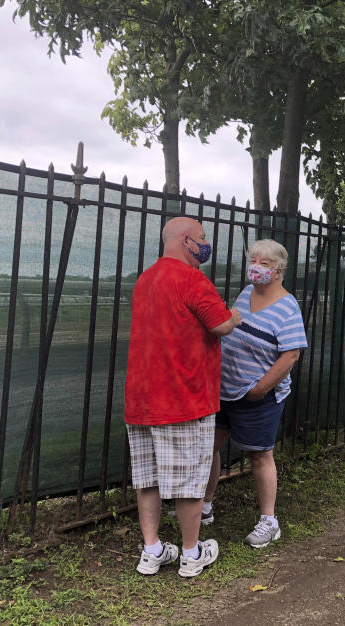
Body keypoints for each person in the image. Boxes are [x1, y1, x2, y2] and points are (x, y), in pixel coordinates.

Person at [125, 216, 241, 578]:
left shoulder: (145, 279)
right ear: (187, 240)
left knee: (149, 479)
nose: (205, 245)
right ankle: (191, 553)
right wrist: (236, 315)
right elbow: (220, 324)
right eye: (203, 238)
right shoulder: (192, 279)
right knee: (190, 479)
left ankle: (152, 550)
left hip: (142, 398)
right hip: (183, 397)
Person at [202, 239, 308, 549]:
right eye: (253, 260)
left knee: (260, 455)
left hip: (257, 396)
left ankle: (269, 521)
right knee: (211, 444)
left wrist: (261, 389)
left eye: (263, 263)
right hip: (224, 389)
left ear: (278, 271)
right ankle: (206, 504)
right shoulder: (247, 293)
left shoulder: (288, 307)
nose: (255, 267)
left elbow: (291, 355)